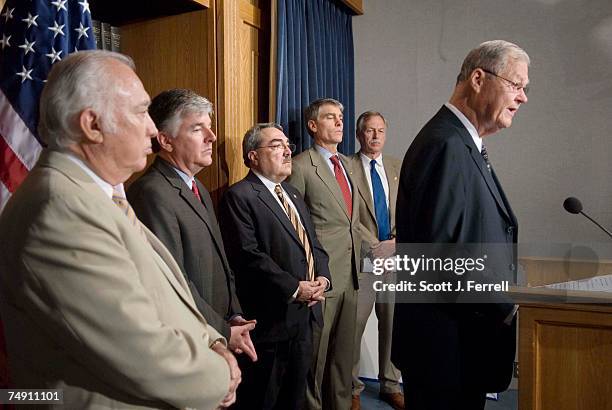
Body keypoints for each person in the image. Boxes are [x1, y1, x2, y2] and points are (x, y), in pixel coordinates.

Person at [0, 50, 239, 409]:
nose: (152, 129)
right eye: (141, 112)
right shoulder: (59, 208)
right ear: (92, 125)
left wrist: (211, 340)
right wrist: (220, 375)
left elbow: (163, 294)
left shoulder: (101, 195)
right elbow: (140, 351)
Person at [392, 40, 529, 409]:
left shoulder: (464, 143)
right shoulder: (445, 144)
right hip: (444, 350)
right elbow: (439, 258)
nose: (523, 98)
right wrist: (510, 302)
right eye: (516, 85)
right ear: (479, 79)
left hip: (461, 347)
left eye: (524, 89)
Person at [127, 89, 257, 362]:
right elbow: (173, 281)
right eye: (198, 129)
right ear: (165, 140)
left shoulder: (197, 186)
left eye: (209, 128)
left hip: (217, 329)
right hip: (189, 338)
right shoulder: (152, 193)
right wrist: (221, 330)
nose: (211, 137)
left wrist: (234, 314)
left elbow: (221, 262)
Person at [218, 123, 331, 409]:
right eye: (276, 145)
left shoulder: (292, 194)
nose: (286, 150)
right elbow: (248, 255)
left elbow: (313, 244)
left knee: (295, 400)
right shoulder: (239, 196)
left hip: (304, 318)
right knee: (264, 400)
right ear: (253, 156)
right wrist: (295, 288)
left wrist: (323, 279)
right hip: (270, 322)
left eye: (287, 145)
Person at [287, 98, 361, 410]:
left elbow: (352, 221)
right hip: (323, 276)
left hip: (352, 275)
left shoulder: (348, 164)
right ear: (313, 126)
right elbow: (293, 226)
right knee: (316, 357)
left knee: (344, 358)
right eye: (331, 117)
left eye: (341, 117)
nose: (340, 122)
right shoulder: (301, 166)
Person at [349, 111, 403, 410]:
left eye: (380, 130)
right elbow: (346, 214)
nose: (375, 136)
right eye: (369, 131)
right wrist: (374, 245)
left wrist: (394, 243)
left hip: (394, 259)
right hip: (362, 260)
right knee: (354, 326)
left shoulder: (397, 166)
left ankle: (391, 385)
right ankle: (353, 389)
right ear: (359, 135)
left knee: (393, 324)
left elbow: (409, 209)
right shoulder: (347, 167)